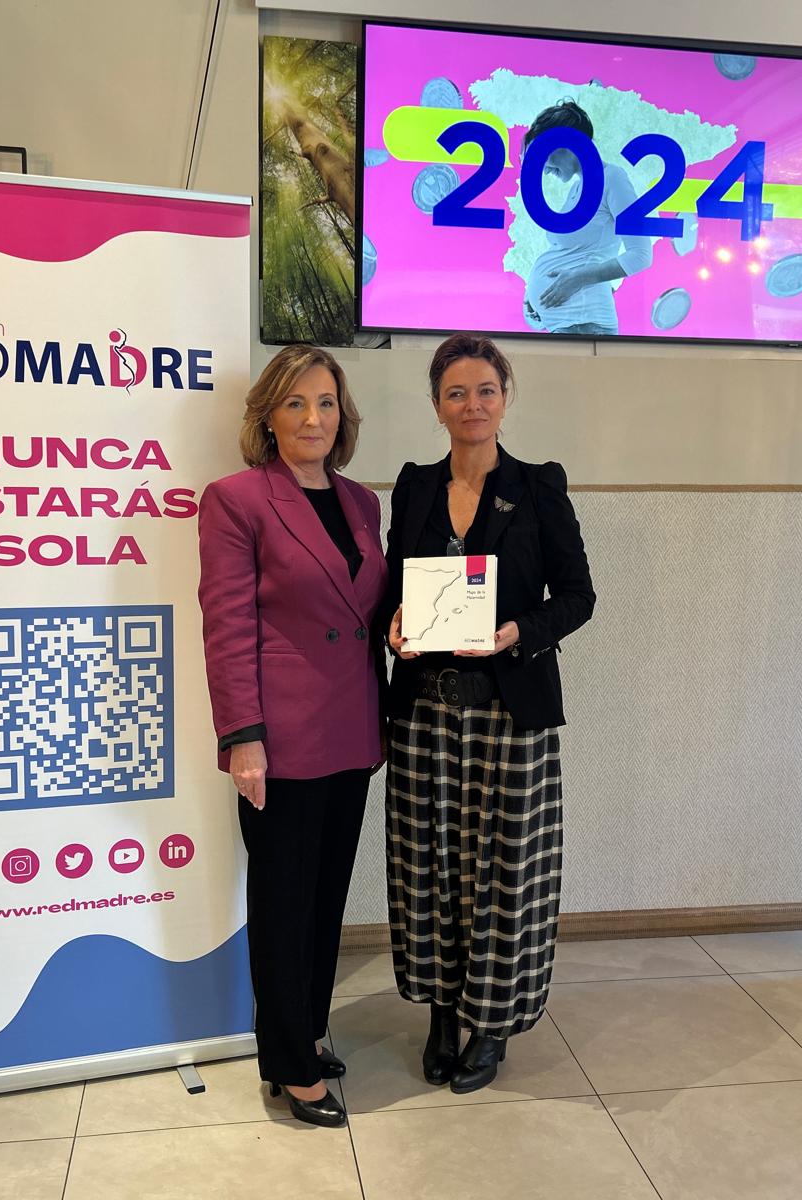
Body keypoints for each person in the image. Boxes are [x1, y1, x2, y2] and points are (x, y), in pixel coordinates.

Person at [383, 333, 596, 1093]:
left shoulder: (539, 487)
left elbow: (578, 598)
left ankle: (493, 1023)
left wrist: (516, 634)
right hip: (423, 718)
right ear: (436, 404)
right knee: (426, 869)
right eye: (455, 392)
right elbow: (390, 590)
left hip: (512, 716)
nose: (471, 405)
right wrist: (392, 627)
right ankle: (443, 1011)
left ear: (506, 397)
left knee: (506, 874)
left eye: (485, 390)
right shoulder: (412, 487)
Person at [197, 344, 387, 1128]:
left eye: (327, 403)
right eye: (297, 403)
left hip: (351, 730)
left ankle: (306, 1029)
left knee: (325, 899)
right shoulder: (236, 499)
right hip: (278, 738)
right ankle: (289, 1065)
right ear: (268, 417)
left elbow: (367, 610)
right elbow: (228, 624)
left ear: (344, 416)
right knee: (281, 902)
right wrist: (244, 735)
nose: (315, 418)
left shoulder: (361, 502)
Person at [521, 99, 654, 337]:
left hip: (586, 326)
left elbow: (641, 255)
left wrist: (575, 279)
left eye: (543, 155)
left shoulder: (613, 178)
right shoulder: (578, 188)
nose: (543, 168)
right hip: (569, 325)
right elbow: (573, 254)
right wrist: (534, 296)